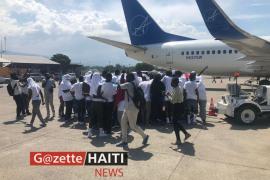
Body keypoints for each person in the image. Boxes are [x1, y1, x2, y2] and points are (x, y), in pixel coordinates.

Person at [116, 73, 149, 148]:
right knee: (123, 123)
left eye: (127, 77)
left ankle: (145, 136)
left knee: (133, 126)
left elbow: (118, 86)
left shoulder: (128, 84)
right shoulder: (134, 83)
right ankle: (124, 141)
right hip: (128, 107)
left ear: (130, 78)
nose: (126, 78)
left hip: (132, 107)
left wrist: (121, 79)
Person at [168, 77, 191, 145]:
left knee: (175, 123)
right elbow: (174, 97)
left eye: (172, 82)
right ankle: (185, 134)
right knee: (176, 122)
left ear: (175, 83)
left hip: (177, 106)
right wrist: (169, 95)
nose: (171, 83)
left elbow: (172, 101)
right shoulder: (177, 88)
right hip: (179, 106)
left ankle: (179, 139)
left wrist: (167, 96)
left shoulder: (177, 89)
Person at [90, 72, 106, 137]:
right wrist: (105, 99)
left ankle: (89, 132)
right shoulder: (100, 84)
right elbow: (100, 95)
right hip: (99, 103)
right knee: (100, 117)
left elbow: (92, 95)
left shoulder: (91, 85)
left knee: (92, 117)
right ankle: (101, 132)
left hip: (93, 102)